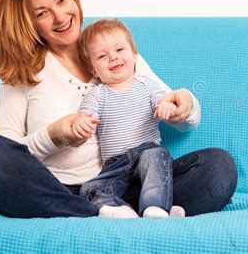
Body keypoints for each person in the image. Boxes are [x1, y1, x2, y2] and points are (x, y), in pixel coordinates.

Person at [0, 0, 238, 219]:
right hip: (60, 190)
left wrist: (185, 105)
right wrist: (54, 136)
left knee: (219, 166)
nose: (61, 17)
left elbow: (179, 114)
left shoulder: (113, 50)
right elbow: (6, 151)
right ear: (26, 23)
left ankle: (141, 208)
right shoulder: (21, 71)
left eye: (62, 0)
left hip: (133, 184)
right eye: (42, 13)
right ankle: (95, 212)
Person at [73, 18, 183, 219]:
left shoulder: (146, 85)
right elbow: (86, 114)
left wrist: (167, 106)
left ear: (134, 55)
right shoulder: (98, 93)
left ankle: (156, 207)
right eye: (102, 56)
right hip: (115, 164)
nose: (112, 58)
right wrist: (81, 121)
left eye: (119, 50)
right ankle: (121, 209)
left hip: (147, 152)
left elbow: (162, 101)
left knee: (159, 157)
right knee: (88, 188)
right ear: (92, 69)